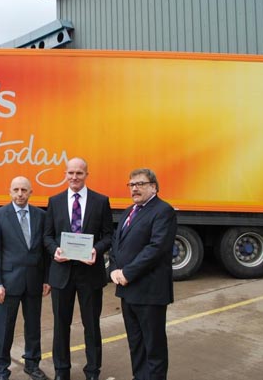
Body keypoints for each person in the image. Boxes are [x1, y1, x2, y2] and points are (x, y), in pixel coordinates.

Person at [44, 157, 114, 380]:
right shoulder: (54, 201)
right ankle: (61, 371)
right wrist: (54, 250)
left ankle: (92, 371)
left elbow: (109, 235)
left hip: (90, 274)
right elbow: (47, 236)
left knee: (92, 326)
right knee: (60, 326)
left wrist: (97, 249)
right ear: (65, 174)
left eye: (79, 173)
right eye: (71, 173)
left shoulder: (100, 201)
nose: (74, 177)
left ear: (86, 174)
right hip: (61, 273)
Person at [108, 168, 177, 380]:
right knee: (136, 344)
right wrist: (113, 270)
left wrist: (127, 272)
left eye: (140, 184)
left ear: (154, 187)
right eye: (131, 185)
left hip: (150, 292)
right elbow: (116, 244)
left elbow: (156, 248)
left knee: (153, 346)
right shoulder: (130, 211)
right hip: (128, 291)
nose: (134, 188)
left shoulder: (163, 211)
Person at [0, 176, 51, 380]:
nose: (20, 194)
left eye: (24, 190)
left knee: (33, 327)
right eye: (16, 190)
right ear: (10, 192)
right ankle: (0, 369)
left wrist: (46, 279)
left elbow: (45, 251)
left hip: (34, 281)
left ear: (31, 192)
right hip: (7, 283)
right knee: (3, 329)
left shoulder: (40, 215)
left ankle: (32, 364)